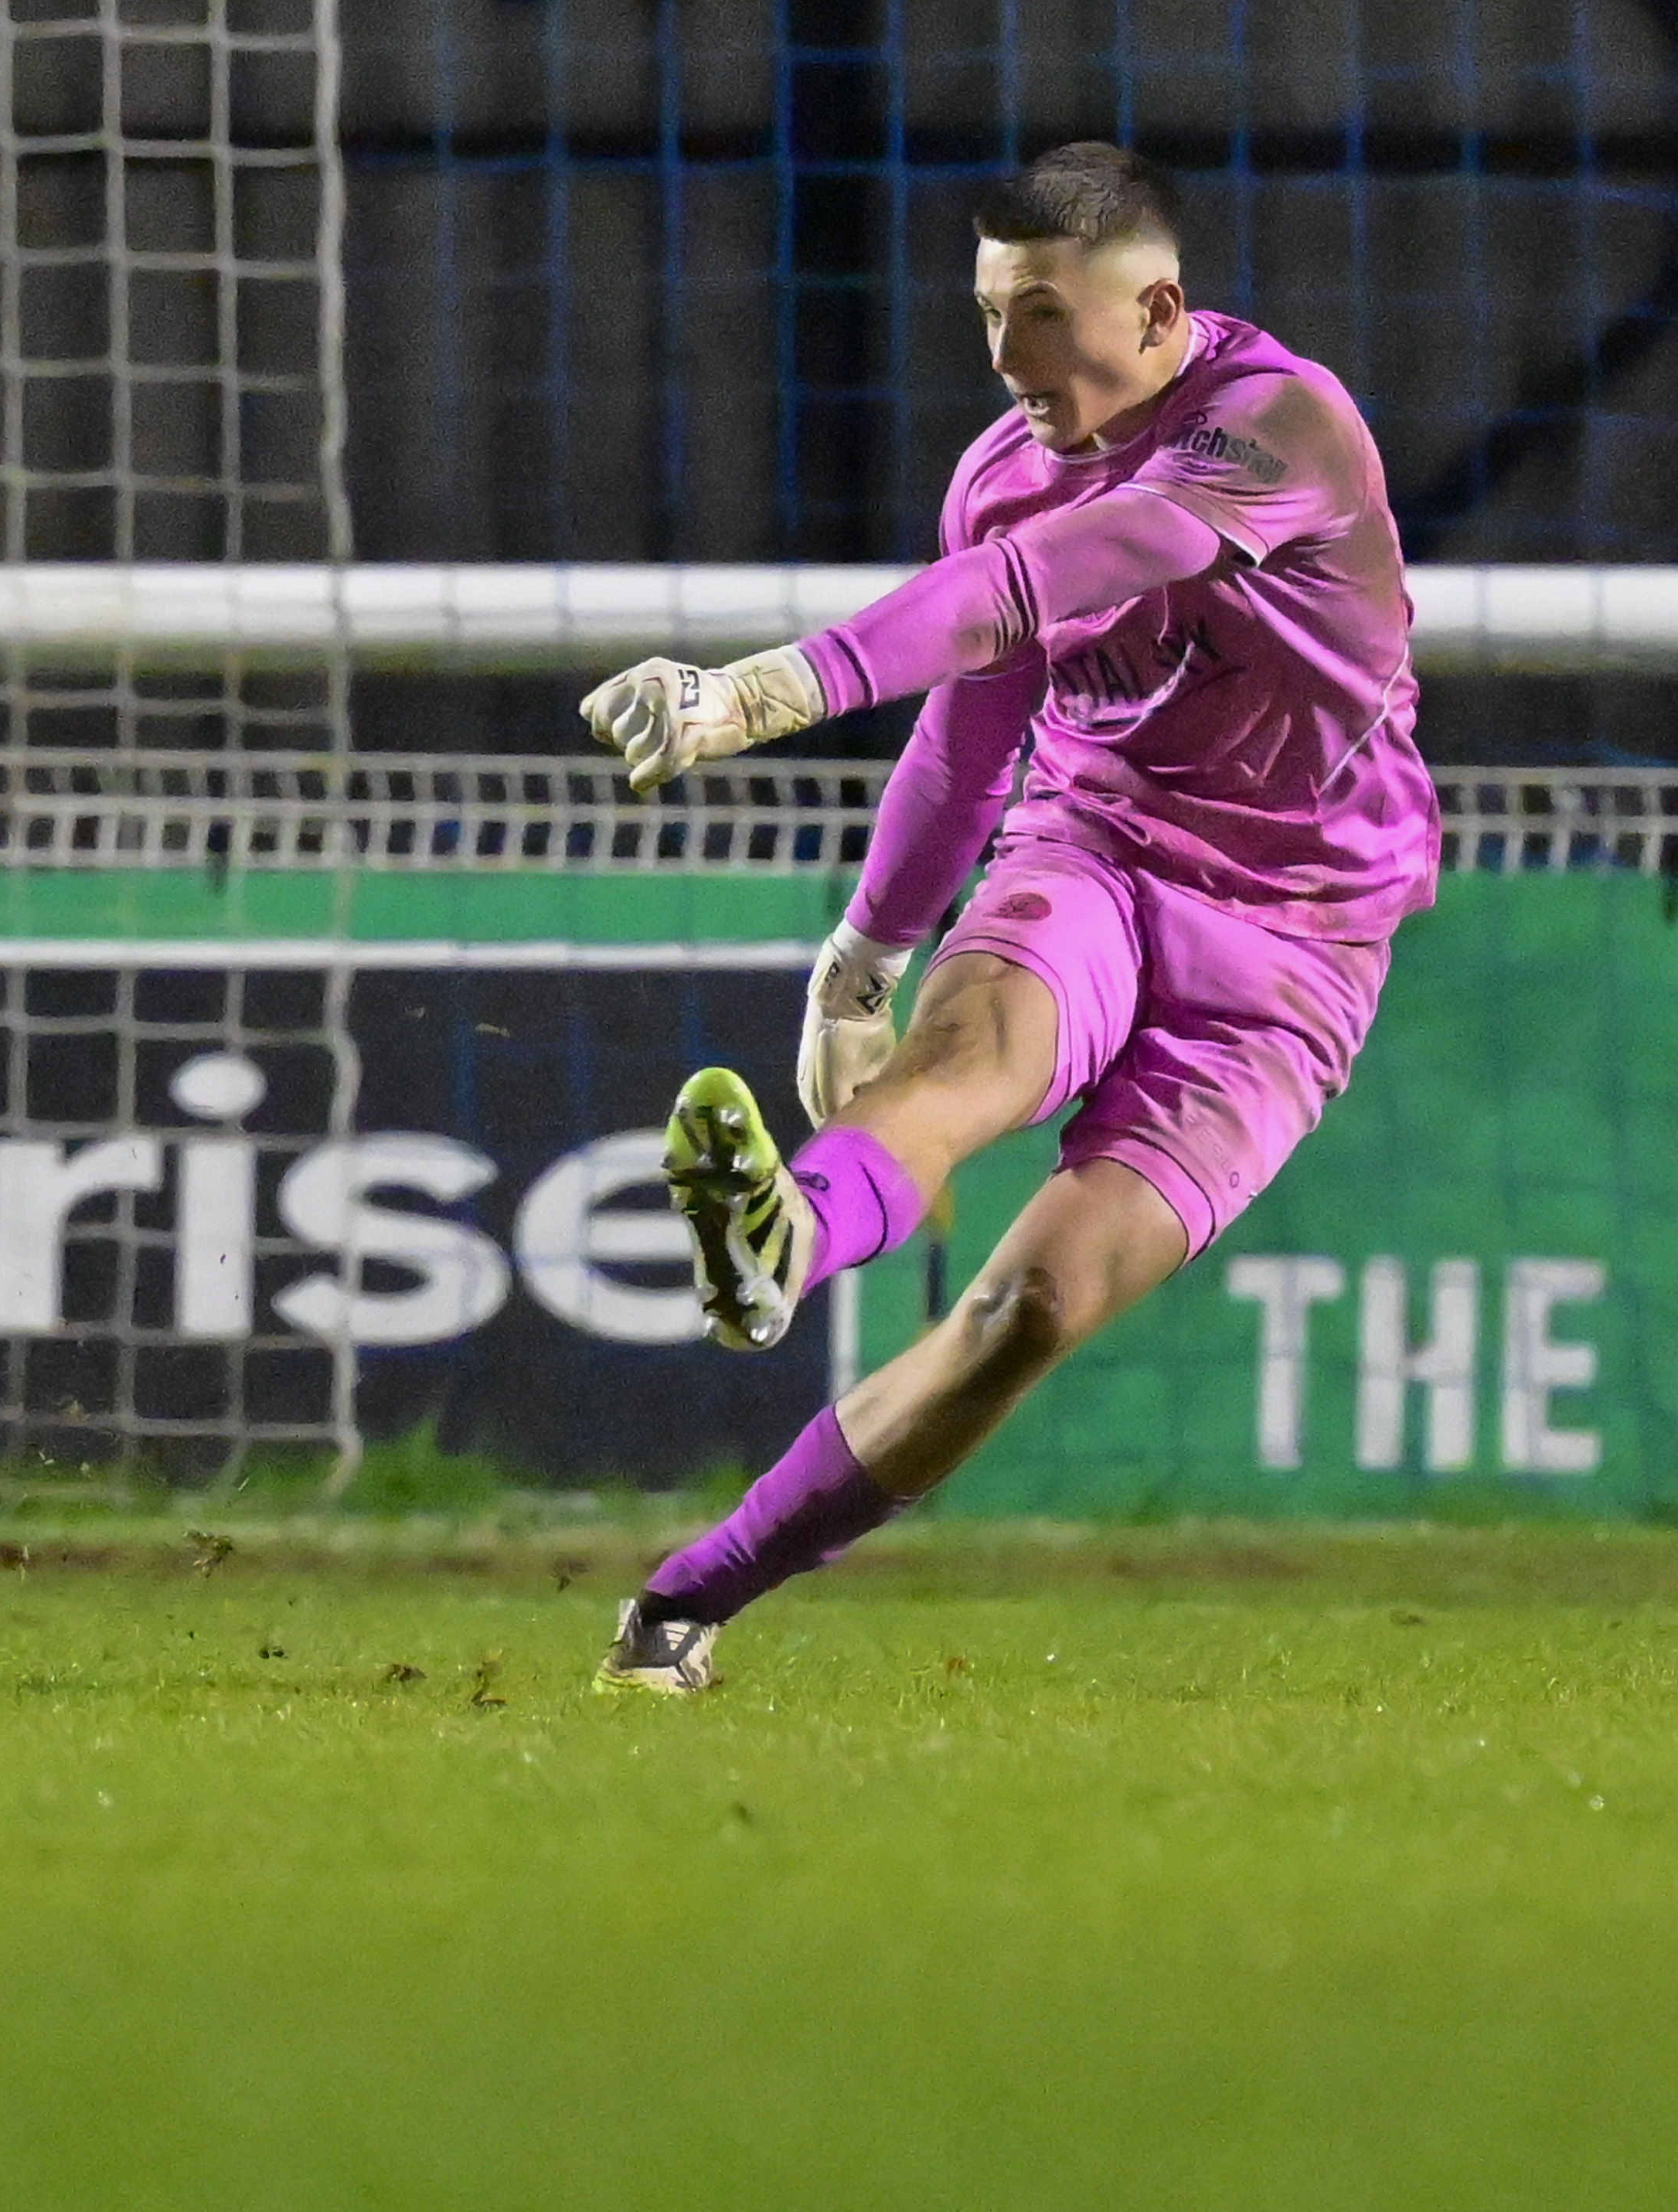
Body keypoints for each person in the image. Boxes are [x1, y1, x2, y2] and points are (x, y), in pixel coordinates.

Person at [574, 141, 1437, 1694]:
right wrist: (864, 957)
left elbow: (1059, 576)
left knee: (1032, 1302)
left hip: (1300, 944)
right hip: (1094, 851)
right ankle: (785, 1240)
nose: (1006, 355)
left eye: (1042, 314)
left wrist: (765, 690)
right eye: (988, 314)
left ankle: (690, 1599)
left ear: (1159, 308)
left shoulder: (1283, 426)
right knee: (967, 1058)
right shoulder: (1000, 469)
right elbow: (976, 730)